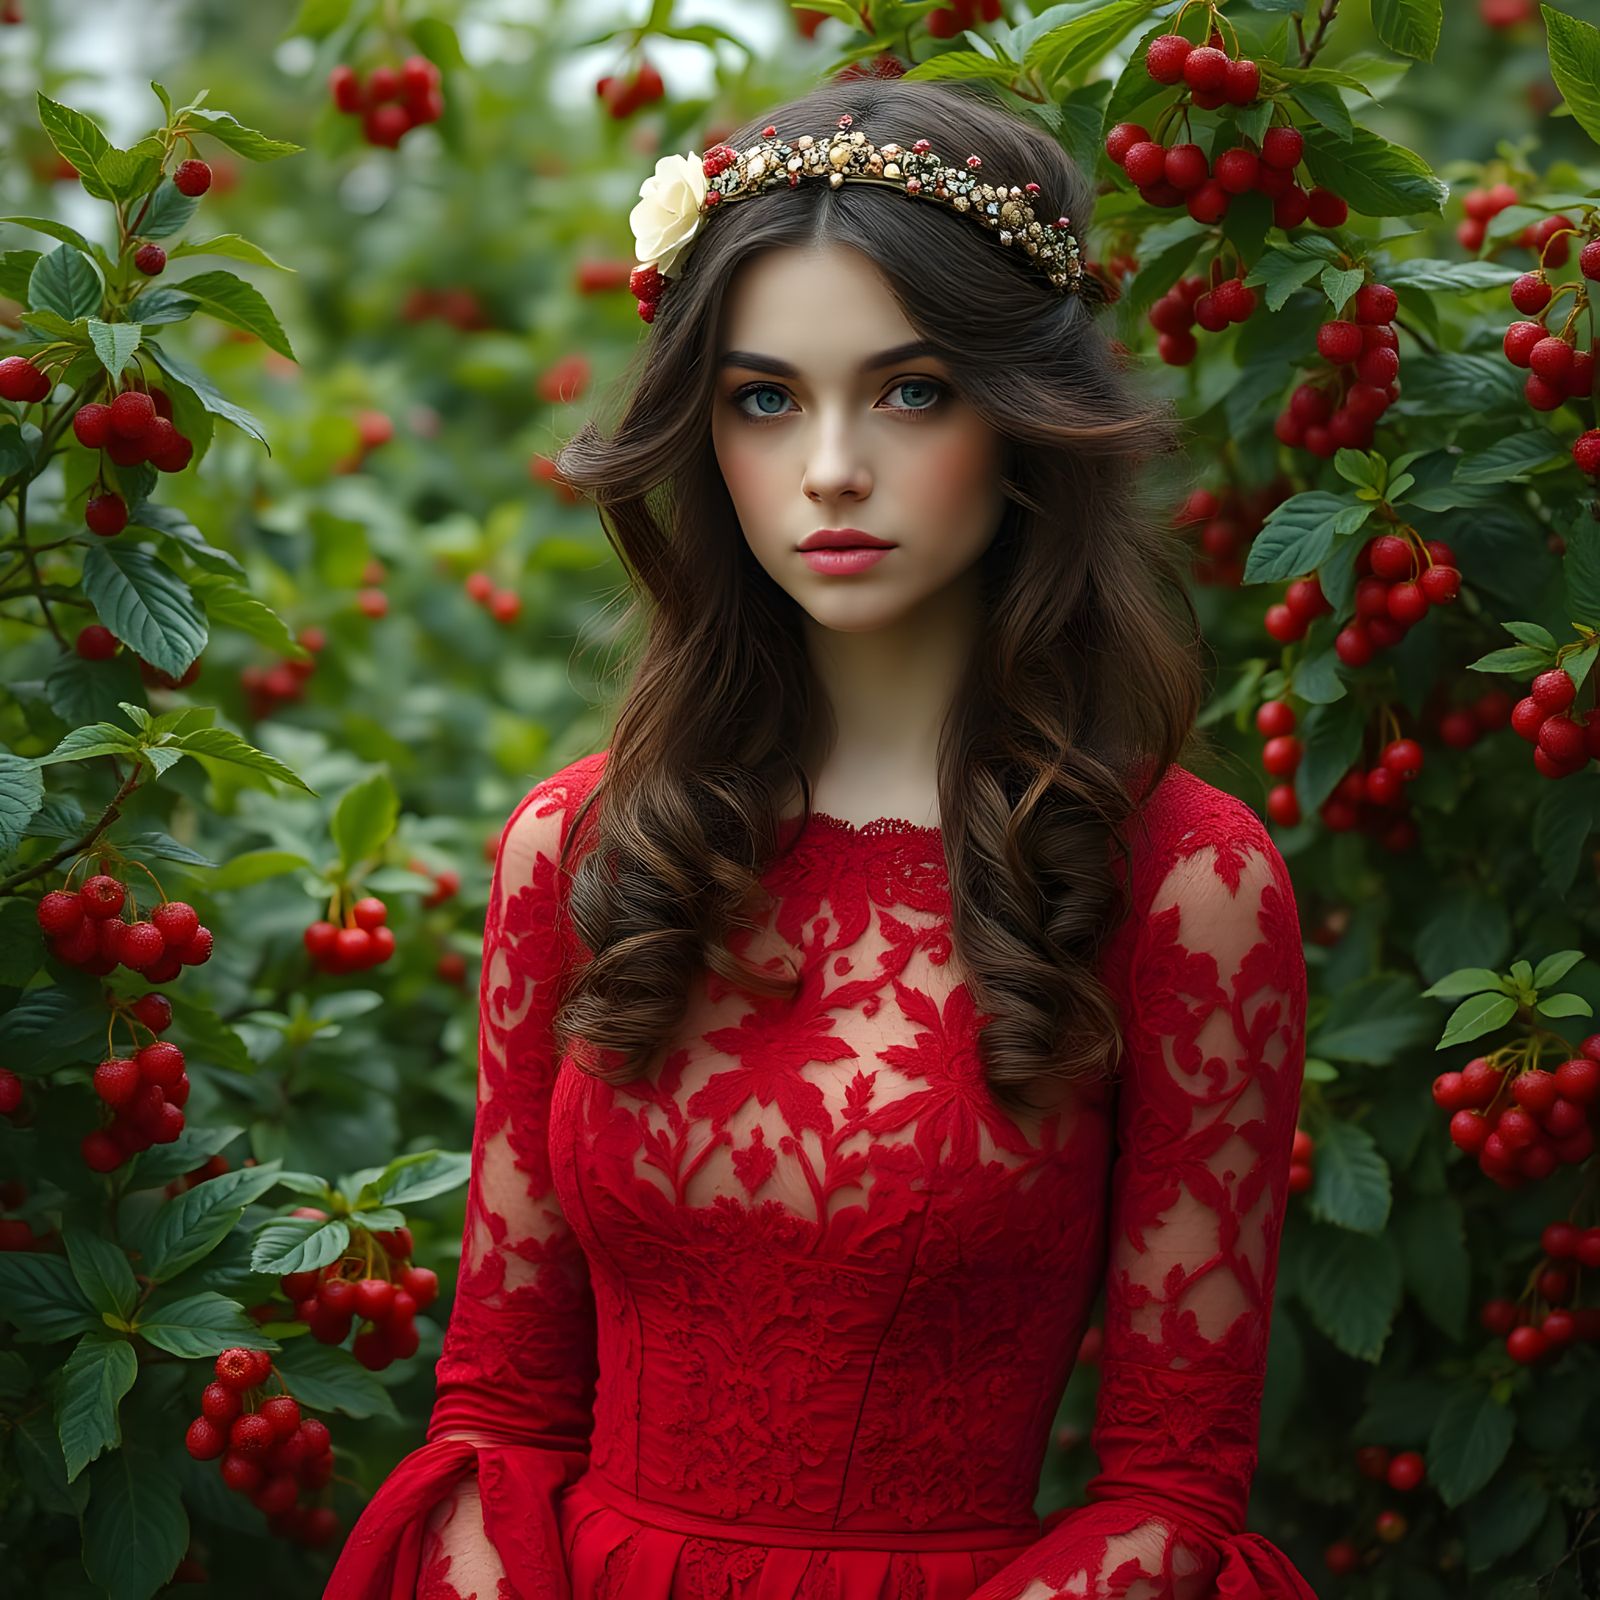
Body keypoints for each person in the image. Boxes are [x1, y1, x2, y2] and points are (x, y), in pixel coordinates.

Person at [324, 74, 1319, 1600]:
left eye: (911, 391)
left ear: (1026, 418)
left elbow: (1172, 1487)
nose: (831, 466)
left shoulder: (1185, 884)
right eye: (765, 396)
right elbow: (502, 1407)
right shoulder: (580, 846)